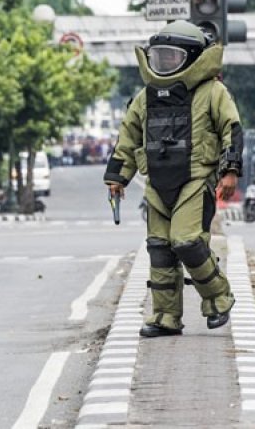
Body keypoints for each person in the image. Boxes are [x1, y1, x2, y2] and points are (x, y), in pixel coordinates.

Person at [104, 20, 244, 337]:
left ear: (193, 57)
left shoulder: (213, 92)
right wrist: (117, 177)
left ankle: (219, 297)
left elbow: (231, 130)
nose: (165, 62)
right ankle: (165, 317)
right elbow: (127, 137)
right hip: (156, 184)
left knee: (187, 241)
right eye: (160, 56)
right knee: (160, 248)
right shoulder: (145, 98)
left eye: (172, 56)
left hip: (195, 179)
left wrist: (230, 169)